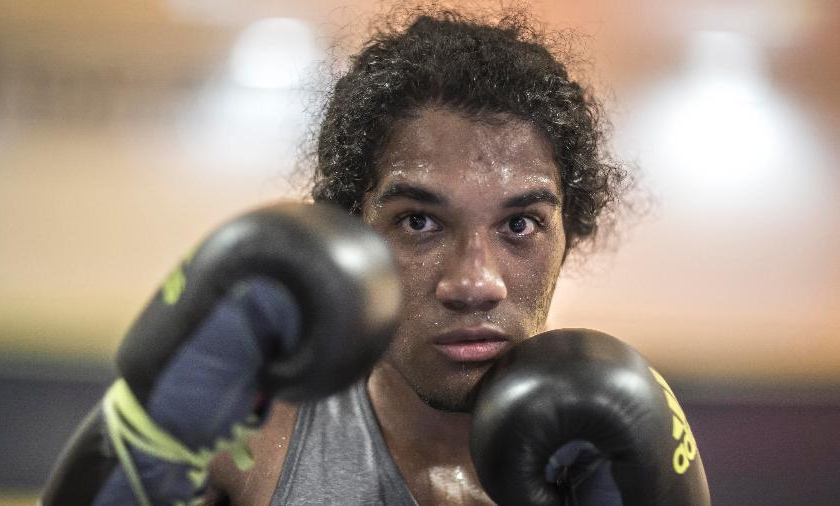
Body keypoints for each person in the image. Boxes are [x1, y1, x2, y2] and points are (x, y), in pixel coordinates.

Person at [202, 7, 628, 505]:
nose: (475, 283)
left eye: (518, 224)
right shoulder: (244, 446)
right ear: (347, 239)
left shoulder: (613, 464)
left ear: (567, 238)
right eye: (419, 222)